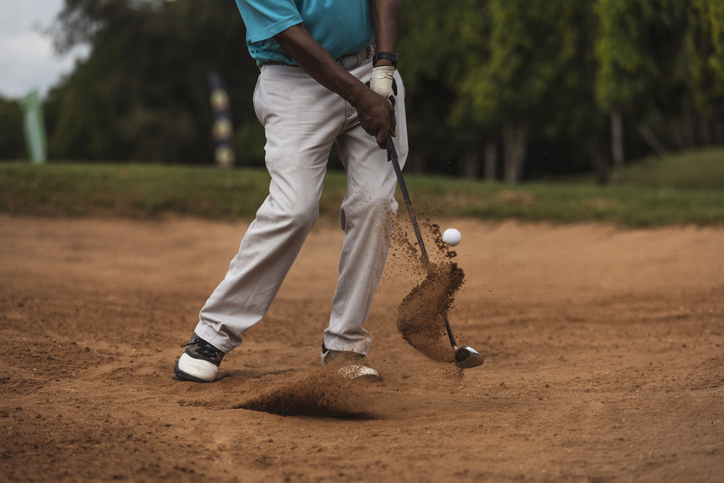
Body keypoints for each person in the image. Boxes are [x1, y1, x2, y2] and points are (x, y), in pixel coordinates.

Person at [174, 0, 408, 383]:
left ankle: (344, 346)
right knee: (293, 209)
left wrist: (383, 71)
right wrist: (362, 96)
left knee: (377, 205)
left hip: (370, 72)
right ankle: (212, 334)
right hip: (295, 80)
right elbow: (290, 36)